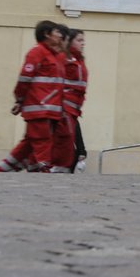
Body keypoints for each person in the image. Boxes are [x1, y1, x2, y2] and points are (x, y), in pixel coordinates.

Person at [0, 21, 68, 173]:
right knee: (43, 143)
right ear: (46, 34)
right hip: (39, 108)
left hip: (50, 110)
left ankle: (2, 171)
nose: (60, 35)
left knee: (28, 144)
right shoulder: (37, 52)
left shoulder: (56, 56)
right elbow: (24, 79)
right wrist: (20, 99)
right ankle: (44, 172)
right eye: (56, 32)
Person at [57, 28, 88, 173]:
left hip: (74, 108)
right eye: (79, 40)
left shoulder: (78, 59)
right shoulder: (64, 58)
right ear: (70, 41)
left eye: (83, 40)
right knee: (67, 145)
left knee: (71, 144)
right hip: (65, 108)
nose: (83, 43)